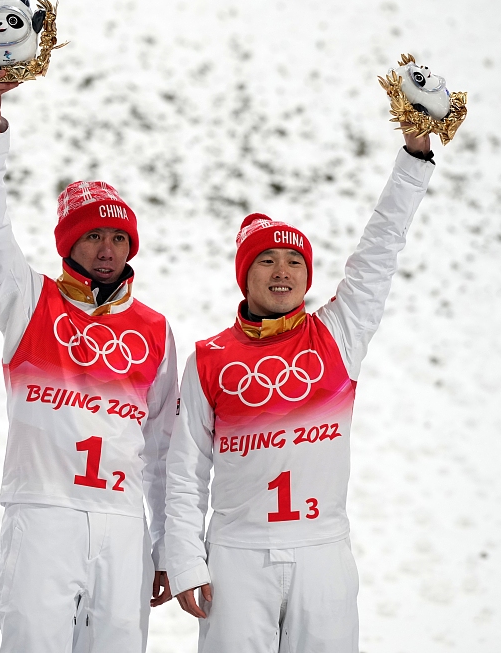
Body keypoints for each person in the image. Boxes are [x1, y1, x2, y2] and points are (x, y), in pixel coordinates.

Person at [164, 129, 438, 652]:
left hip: (322, 553)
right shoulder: (209, 357)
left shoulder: (338, 334)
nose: (282, 272)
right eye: (266, 261)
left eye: (293, 262)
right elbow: (185, 469)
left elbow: (379, 251)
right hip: (236, 555)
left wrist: (415, 156)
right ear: (245, 276)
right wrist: (184, 559)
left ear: (308, 275)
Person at [0, 64, 179, 653]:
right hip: (42, 514)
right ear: (68, 244)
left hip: (121, 523)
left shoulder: (155, 330)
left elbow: (162, 448)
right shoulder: (28, 300)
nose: (107, 250)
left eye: (119, 239)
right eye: (93, 237)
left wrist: (165, 545)